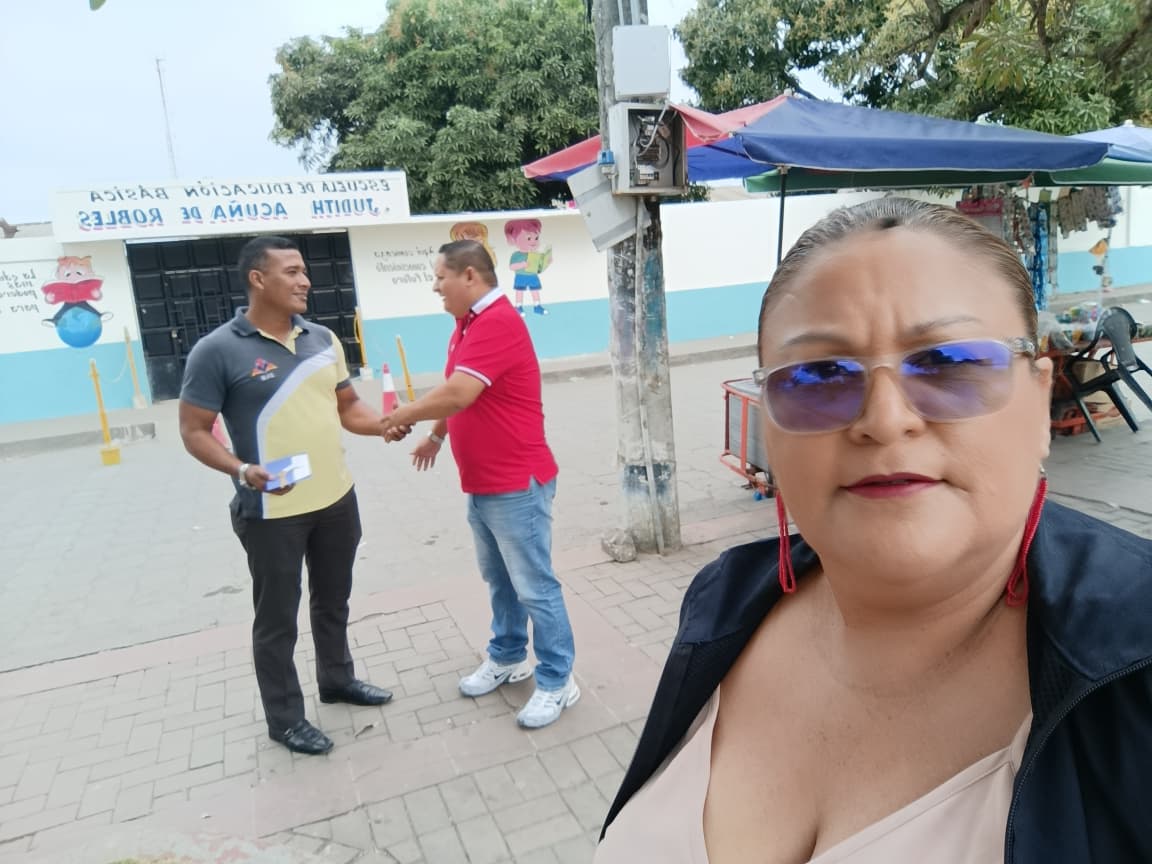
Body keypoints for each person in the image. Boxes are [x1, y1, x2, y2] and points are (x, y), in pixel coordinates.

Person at [596, 198, 1152, 863]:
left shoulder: (1136, 666)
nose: (885, 421)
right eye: (818, 375)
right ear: (769, 422)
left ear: (1037, 402)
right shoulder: (723, 603)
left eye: (947, 363)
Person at [179, 236, 396, 756]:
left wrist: (383, 424)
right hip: (272, 512)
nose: (305, 281)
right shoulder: (217, 350)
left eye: (304, 271)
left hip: (336, 498)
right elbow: (193, 430)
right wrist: (240, 469)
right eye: (292, 271)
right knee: (277, 620)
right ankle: (285, 719)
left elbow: (348, 407)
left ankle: (337, 679)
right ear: (258, 279)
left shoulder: (322, 338)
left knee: (333, 599)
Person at [381, 239, 578, 729]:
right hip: (484, 483)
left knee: (534, 585)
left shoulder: (497, 322)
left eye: (440, 277)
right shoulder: (466, 325)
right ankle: (508, 656)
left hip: (516, 483)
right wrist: (435, 436)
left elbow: (459, 391)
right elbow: (460, 392)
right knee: (501, 579)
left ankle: (558, 680)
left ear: (469, 275)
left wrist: (401, 414)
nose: (435, 287)